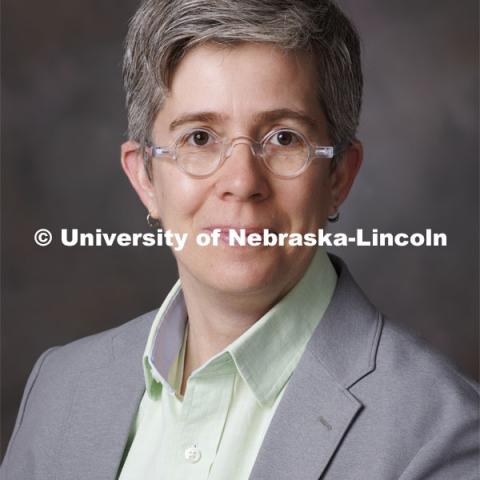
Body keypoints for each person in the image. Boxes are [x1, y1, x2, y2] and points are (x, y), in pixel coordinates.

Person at [2, 0, 478, 479]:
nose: (242, 181)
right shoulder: (60, 387)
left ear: (338, 176)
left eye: (285, 138)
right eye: (200, 138)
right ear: (145, 178)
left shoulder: (441, 432)